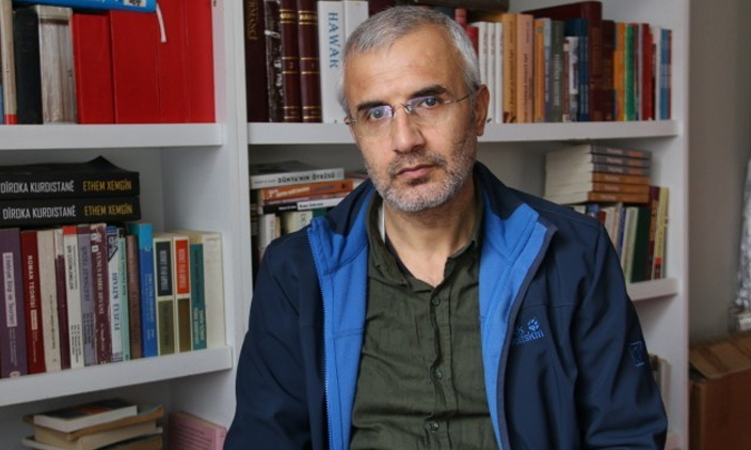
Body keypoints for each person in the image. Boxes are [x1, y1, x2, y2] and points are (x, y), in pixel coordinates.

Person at [225, 6, 667, 450]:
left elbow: (625, 435)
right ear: (355, 132)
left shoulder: (576, 252)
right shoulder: (295, 272)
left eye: (428, 102)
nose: (405, 139)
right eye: (376, 113)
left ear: (478, 110)